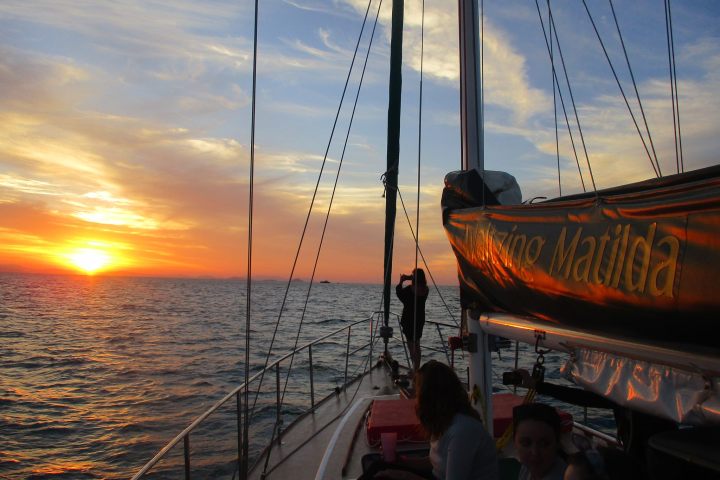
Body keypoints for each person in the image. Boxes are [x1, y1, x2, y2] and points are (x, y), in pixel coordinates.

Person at [370, 361, 499, 480]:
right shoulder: (445, 420)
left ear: (429, 397)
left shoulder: (463, 431)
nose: (416, 398)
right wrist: (402, 461)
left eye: (418, 392)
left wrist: (404, 476)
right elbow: (436, 462)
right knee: (380, 467)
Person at [513, 403, 567, 480]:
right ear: (514, 441)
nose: (535, 453)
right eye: (526, 443)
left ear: (557, 443)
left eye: (544, 444)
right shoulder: (528, 467)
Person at [396, 268, 429, 371]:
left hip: (409, 320)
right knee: (417, 346)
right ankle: (416, 369)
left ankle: (414, 370)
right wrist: (411, 277)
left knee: (411, 347)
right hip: (419, 320)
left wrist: (402, 281)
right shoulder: (425, 289)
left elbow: (399, 293)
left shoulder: (410, 290)